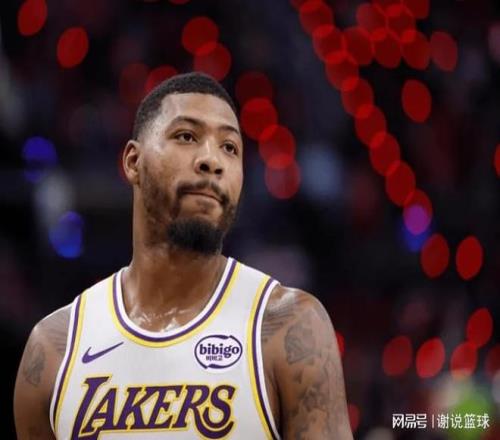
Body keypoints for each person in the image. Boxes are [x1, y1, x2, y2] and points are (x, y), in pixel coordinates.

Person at [14, 72, 352, 439]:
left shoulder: (288, 327)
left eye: (230, 147)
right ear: (133, 162)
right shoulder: (54, 348)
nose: (212, 160)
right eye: (187, 136)